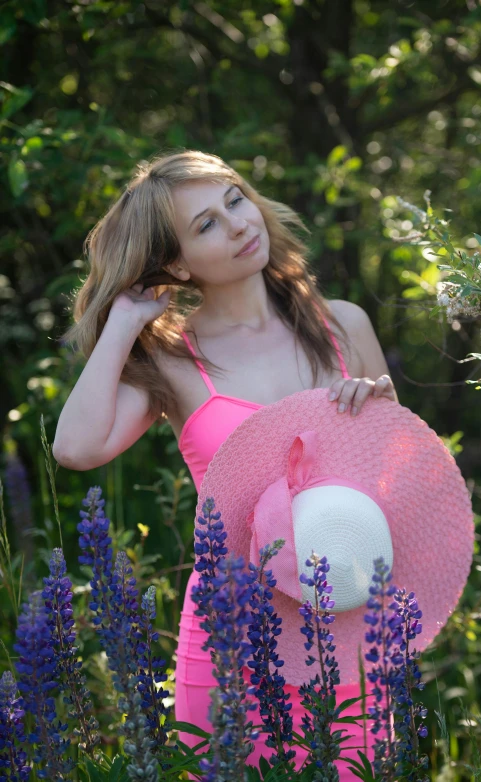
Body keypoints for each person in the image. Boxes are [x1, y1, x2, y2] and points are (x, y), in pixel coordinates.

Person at [53, 149, 398, 778]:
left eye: (235, 199)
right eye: (206, 223)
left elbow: (395, 484)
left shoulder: (345, 327)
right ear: (176, 264)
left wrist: (380, 413)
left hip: (347, 625)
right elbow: (76, 449)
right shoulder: (175, 363)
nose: (239, 223)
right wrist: (125, 322)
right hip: (233, 636)